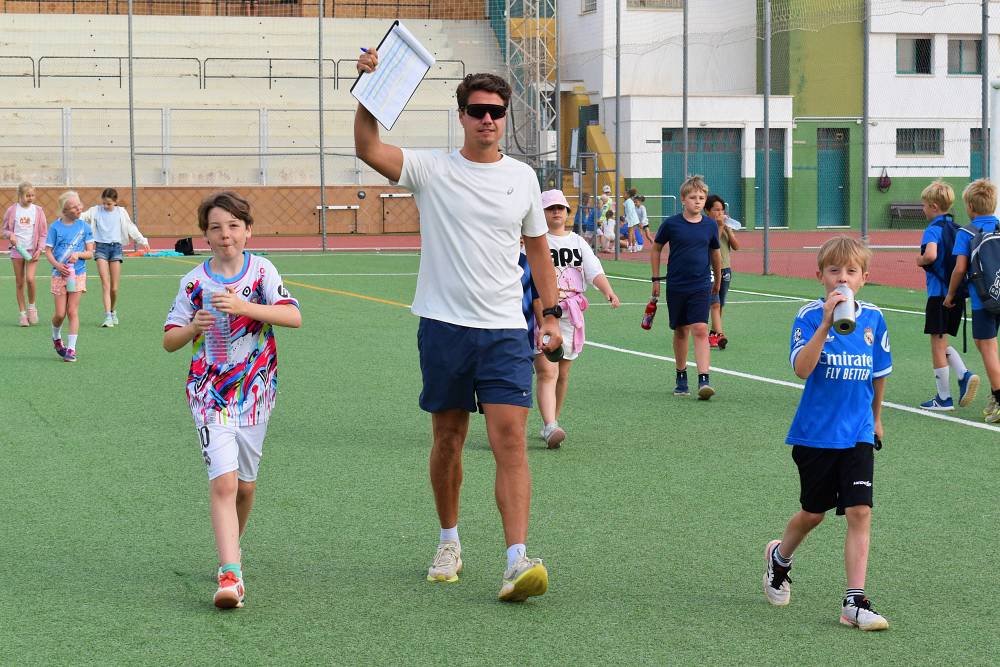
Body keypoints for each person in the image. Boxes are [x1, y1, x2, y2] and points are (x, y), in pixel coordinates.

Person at [354, 54, 563, 602]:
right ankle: (449, 541)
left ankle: (516, 560)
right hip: (444, 327)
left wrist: (551, 313)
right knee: (448, 439)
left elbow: (538, 252)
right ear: (462, 116)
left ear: (505, 116)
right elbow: (368, 147)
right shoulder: (432, 168)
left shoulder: (523, 178)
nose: (487, 119)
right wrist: (370, 87)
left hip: (505, 330)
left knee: (510, 440)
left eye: (495, 111)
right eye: (476, 110)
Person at [162, 191, 301, 609]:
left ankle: (231, 549)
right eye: (216, 228)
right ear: (205, 235)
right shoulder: (193, 282)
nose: (226, 235)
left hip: (255, 392)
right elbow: (169, 340)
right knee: (223, 482)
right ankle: (230, 575)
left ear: (248, 231)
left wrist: (245, 306)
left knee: (245, 486)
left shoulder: (262, 271)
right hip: (208, 394)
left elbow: (293, 316)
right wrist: (193, 328)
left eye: (234, 226)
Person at [764, 236, 891, 632]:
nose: (843, 278)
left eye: (851, 271)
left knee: (860, 510)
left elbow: (878, 374)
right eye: (834, 270)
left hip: (858, 432)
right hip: (816, 434)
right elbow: (802, 369)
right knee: (813, 514)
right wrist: (824, 323)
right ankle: (779, 558)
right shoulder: (807, 316)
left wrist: (876, 419)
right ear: (820, 275)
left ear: (864, 278)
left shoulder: (874, 318)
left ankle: (854, 601)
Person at [534, 189, 620, 448]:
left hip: (570, 314)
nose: (556, 212)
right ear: (541, 213)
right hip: (543, 312)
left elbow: (594, 271)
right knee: (547, 370)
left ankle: (552, 421)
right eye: (550, 208)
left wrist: (608, 291)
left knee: (562, 372)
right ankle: (550, 425)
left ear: (567, 212)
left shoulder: (578, 242)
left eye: (560, 207)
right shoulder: (536, 242)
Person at [649, 175, 721, 399]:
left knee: (700, 328)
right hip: (677, 285)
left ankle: (704, 380)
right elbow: (656, 248)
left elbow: (715, 254)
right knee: (681, 330)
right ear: (683, 199)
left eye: (701, 198)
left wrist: (718, 279)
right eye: (693, 197)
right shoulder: (671, 224)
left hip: (701, 284)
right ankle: (681, 376)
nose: (697, 201)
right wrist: (656, 279)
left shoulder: (710, 225)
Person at [915, 180, 978, 410]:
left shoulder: (933, 229)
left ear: (933, 206)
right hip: (957, 293)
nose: (923, 209)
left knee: (937, 343)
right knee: (943, 341)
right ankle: (963, 374)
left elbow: (931, 255)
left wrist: (920, 260)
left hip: (939, 295)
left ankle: (944, 397)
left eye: (924, 205)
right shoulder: (959, 229)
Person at [944, 178, 1000, 423]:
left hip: (983, 299)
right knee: (988, 344)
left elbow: (960, 268)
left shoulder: (966, 232)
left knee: (986, 346)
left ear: (970, 206)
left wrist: (950, 294)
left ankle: (999, 397)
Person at [80, 188, 150, 328]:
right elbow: (81, 216)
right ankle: (107, 316)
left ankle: (112, 311)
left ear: (115, 202)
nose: (106, 206)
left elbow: (130, 227)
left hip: (116, 249)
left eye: (109, 204)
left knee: (114, 288)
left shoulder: (121, 212)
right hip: (101, 249)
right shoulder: (95, 210)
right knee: (105, 284)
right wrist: (69, 214)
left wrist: (142, 240)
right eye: (104, 203)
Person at [44, 191, 94, 363]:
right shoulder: (55, 228)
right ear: (64, 211)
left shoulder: (84, 227)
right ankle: (56, 337)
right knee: (60, 314)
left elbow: (90, 253)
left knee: (72, 311)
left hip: (77, 274)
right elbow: (48, 251)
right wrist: (57, 265)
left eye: (79, 205)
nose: (78, 208)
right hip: (59, 275)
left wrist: (78, 254)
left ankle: (71, 349)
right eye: (73, 207)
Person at [3, 181, 47, 327]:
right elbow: (5, 230)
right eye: (27, 195)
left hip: (32, 251)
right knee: (20, 282)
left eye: (32, 195)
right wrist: (10, 235)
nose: (30, 198)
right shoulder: (12, 210)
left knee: (30, 279)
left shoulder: (38, 211)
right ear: (20, 195)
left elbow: (43, 233)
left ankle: (32, 308)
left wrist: (40, 249)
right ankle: (22, 314)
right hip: (17, 250)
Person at [705, 194, 740, 350]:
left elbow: (736, 246)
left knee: (721, 302)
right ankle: (717, 333)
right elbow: (712, 244)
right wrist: (719, 227)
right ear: (707, 211)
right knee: (713, 302)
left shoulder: (725, 226)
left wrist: (729, 230)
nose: (720, 213)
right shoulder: (706, 226)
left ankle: (714, 333)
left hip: (725, 268)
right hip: (711, 269)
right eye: (716, 210)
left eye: (722, 210)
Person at [623, 188, 641, 252]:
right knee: (632, 233)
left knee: (630, 233)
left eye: (624, 194)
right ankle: (634, 247)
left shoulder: (628, 202)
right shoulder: (629, 201)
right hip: (633, 218)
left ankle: (630, 247)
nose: (623, 195)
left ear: (628, 195)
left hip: (631, 219)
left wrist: (627, 219)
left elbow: (630, 212)